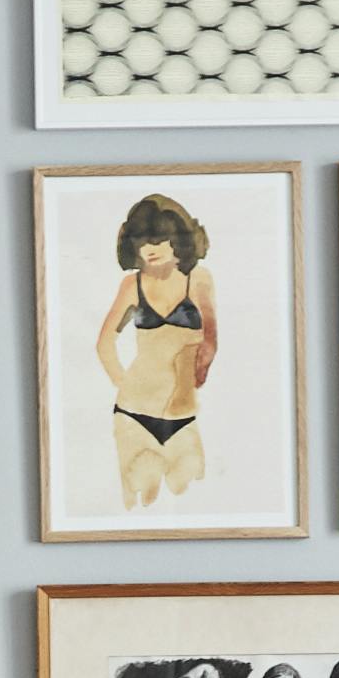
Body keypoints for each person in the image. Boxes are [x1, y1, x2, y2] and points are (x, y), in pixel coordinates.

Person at [95, 191, 219, 506]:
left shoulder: (198, 279)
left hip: (182, 413)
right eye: (141, 241)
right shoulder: (131, 286)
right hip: (133, 413)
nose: (150, 249)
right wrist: (124, 383)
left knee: (191, 498)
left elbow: (210, 335)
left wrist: (202, 356)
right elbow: (105, 343)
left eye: (159, 240)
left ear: (179, 240)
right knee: (137, 504)